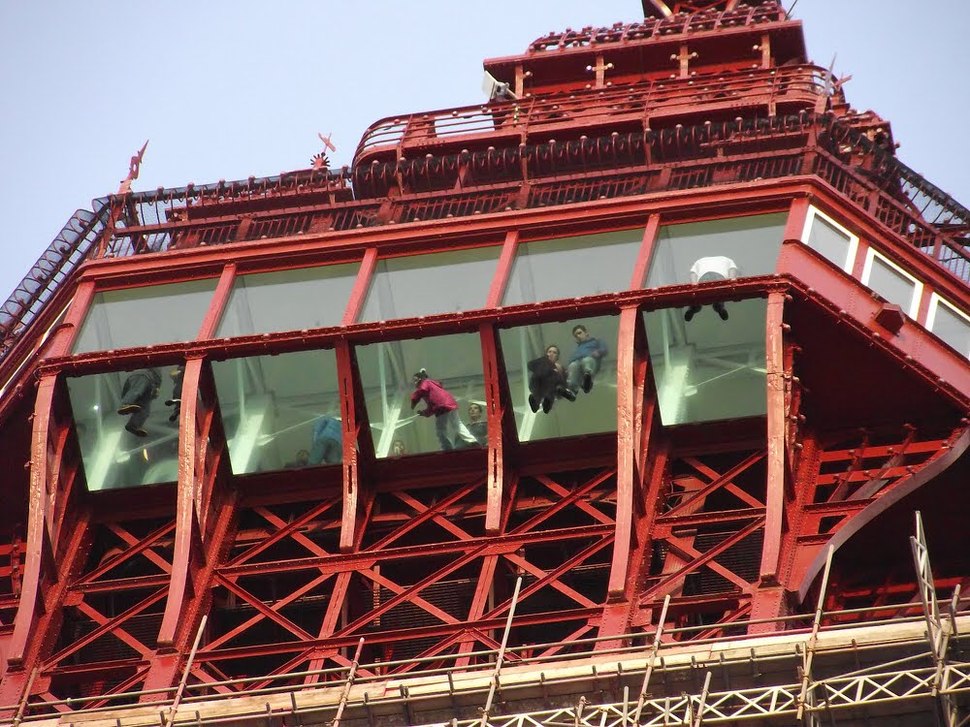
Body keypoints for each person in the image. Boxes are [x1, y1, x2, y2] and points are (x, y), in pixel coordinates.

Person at [410, 369, 478, 451]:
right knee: (457, 424)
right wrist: (424, 413)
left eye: (415, 380)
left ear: (420, 379)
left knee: (441, 429)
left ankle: (447, 447)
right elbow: (432, 407)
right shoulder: (432, 388)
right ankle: (472, 441)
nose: (414, 383)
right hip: (450, 404)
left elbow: (420, 392)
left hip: (441, 407)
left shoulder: (425, 383)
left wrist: (413, 401)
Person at [684, 255, 738, 322]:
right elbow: (732, 271)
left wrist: (694, 285)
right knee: (719, 294)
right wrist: (732, 281)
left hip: (704, 277)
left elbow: (693, 273)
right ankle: (719, 306)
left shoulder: (700, 260)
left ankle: (693, 307)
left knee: (700, 297)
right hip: (720, 277)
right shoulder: (728, 260)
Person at [527, 344, 574, 414]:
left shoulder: (559, 368)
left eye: (554, 352)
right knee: (546, 375)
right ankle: (536, 402)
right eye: (549, 352)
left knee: (553, 382)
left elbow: (563, 380)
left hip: (553, 388)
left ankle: (547, 402)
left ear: (557, 357)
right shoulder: (542, 362)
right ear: (546, 354)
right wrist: (547, 367)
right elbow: (530, 365)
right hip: (538, 384)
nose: (551, 354)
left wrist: (558, 370)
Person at [117, 368, 162, 437]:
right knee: (137, 390)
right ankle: (125, 404)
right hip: (143, 375)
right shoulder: (145, 373)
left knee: (145, 410)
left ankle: (133, 425)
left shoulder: (156, 377)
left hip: (151, 383)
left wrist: (155, 390)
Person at [566, 325, 608, 395]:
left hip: (591, 361)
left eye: (579, 333)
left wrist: (599, 352)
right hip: (578, 365)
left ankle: (588, 378)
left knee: (586, 360)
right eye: (576, 336)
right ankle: (573, 389)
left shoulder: (597, 341)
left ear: (586, 333)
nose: (578, 336)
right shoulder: (577, 348)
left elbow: (604, 349)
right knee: (573, 365)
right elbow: (571, 360)